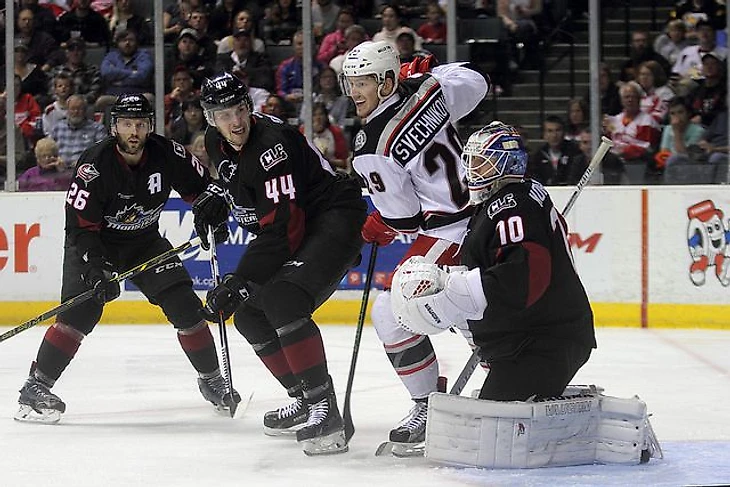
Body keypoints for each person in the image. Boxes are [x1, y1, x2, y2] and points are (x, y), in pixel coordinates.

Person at [15, 94, 239, 424]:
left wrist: (212, 213)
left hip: (144, 241)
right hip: (96, 243)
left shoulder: (168, 153)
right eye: (126, 124)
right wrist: (95, 267)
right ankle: (35, 387)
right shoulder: (94, 166)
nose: (133, 131)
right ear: (114, 127)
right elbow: (79, 226)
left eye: (140, 124)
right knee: (79, 314)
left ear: (150, 126)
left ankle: (211, 380)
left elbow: (204, 189)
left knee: (185, 307)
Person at [191, 72, 367, 455]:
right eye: (223, 115)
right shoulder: (216, 142)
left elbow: (284, 229)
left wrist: (241, 280)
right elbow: (239, 183)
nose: (235, 122)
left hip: (334, 217)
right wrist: (220, 198)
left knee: (283, 299)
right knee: (251, 316)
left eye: (239, 110)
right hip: (304, 224)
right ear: (210, 119)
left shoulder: (272, 145)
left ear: (249, 107)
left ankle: (325, 407)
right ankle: (304, 396)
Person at [339, 40, 489, 449]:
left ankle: (427, 402)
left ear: (387, 81)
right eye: (351, 82)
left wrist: (376, 224)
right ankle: (488, 337)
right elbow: (478, 82)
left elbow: (402, 218)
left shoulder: (372, 145)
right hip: (483, 215)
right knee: (452, 297)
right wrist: (430, 72)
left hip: (451, 229)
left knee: (390, 312)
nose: (354, 92)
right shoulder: (428, 88)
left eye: (364, 82)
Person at [390, 120, 596, 403]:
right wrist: (448, 282)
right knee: (493, 419)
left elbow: (525, 277)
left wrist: (454, 289)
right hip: (531, 338)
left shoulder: (513, 205)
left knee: (493, 427)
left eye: (482, 163)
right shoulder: (507, 200)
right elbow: (495, 269)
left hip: (543, 342)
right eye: (470, 161)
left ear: (507, 165)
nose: (472, 171)